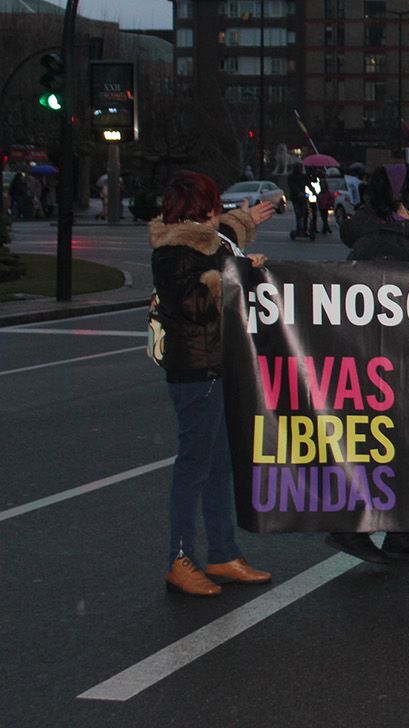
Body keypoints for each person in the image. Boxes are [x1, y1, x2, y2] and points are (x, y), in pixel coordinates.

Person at [149, 171, 276, 596]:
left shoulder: (201, 242)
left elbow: (219, 240)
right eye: (214, 204)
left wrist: (245, 221)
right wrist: (236, 272)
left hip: (216, 367)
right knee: (194, 468)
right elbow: (198, 304)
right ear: (200, 209)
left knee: (219, 467)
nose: (219, 211)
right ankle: (179, 559)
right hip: (196, 373)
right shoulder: (173, 253)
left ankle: (222, 553)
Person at [331, 163, 409, 563]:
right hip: (388, 365)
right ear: (405, 197)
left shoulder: (407, 237)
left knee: (403, 450)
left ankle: (400, 529)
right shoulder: (383, 244)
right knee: (381, 450)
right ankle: (351, 527)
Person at [286, 162, 311, 240]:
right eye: (299, 167)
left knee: (306, 213)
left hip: (304, 196)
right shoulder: (291, 177)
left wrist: (315, 193)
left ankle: (305, 228)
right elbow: (292, 186)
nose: (300, 169)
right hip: (295, 198)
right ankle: (299, 229)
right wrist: (298, 192)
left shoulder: (304, 177)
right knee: (298, 213)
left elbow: (309, 185)